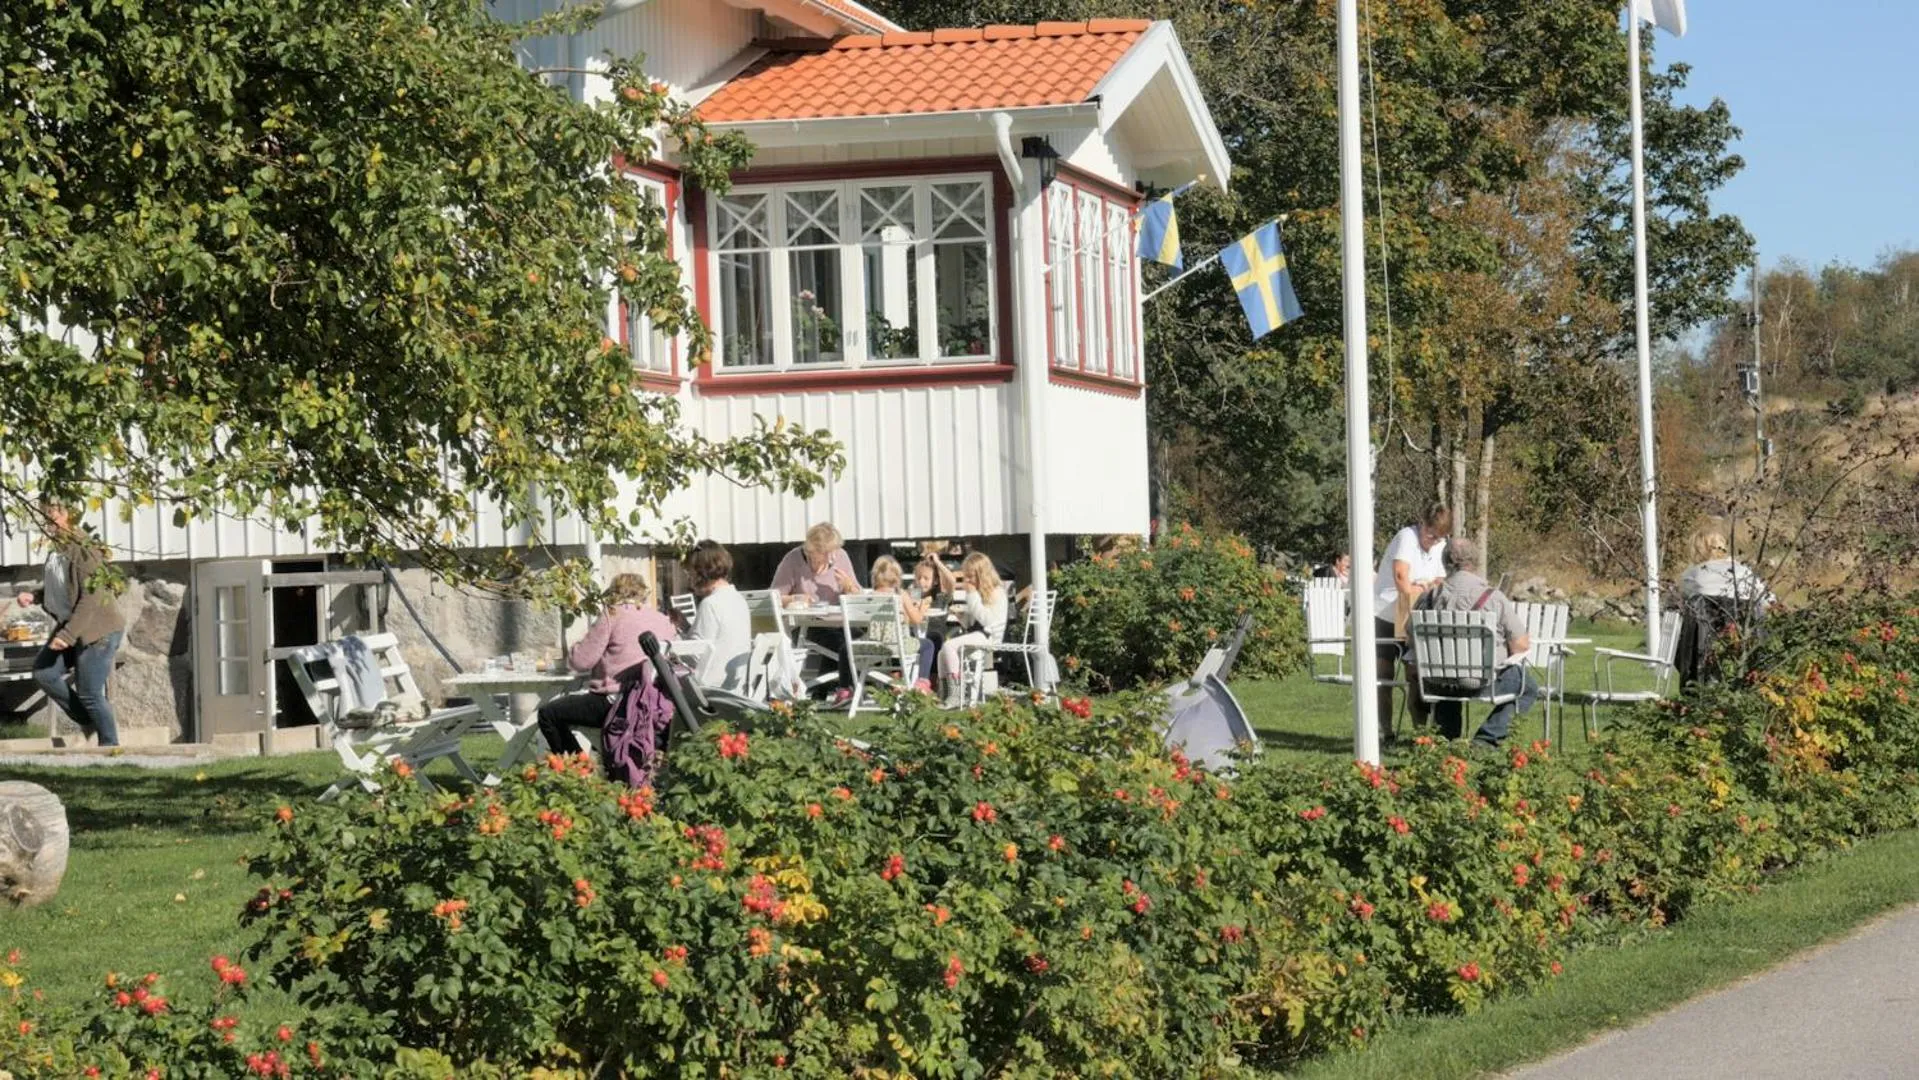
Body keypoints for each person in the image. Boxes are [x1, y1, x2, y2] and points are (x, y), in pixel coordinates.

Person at [16, 501, 126, 746]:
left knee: (90, 693)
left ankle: (110, 747)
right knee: (45, 673)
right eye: (45, 517)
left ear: (69, 516)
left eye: (53, 516)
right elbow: (62, 586)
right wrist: (35, 596)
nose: (48, 522)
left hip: (98, 629)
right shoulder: (57, 547)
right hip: (73, 624)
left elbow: (91, 598)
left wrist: (66, 635)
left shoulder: (83, 549)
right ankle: (89, 721)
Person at [537, 573, 676, 756]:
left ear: (614, 593)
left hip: (617, 702)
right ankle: (582, 767)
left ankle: (577, 770)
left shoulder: (612, 615)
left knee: (549, 714)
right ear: (643, 593)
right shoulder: (661, 619)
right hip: (651, 702)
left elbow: (580, 661)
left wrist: (575, 647)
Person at [1423, 538, 1537, 746]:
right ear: (1474, 562)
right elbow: (1520, 645)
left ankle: (1446, 738)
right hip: (1481, 681)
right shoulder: (1493, 597)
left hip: (1437, 681)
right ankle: (1486, 739)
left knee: (1449, 676)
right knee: (1527, 686)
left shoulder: (1430, 597)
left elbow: (1412, 638)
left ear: (1445, 561)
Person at [1374, 505, 1452, 731]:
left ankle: (1420, 731)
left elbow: (1440, 578)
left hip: (1415, 617)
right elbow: (1401, 576)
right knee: (1384, 676)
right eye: (1430, 535)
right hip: (1385, 615)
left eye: (1438, 538)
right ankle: (1384, 730)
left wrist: (1426, 586)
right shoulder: (1407, 537)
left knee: (1415, 674)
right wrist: (1414, 591)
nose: (1433, 541)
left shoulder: (1439, 546)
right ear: (1422, 524)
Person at [771, 522, 863, 702]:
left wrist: (849, 587)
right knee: (843, 645)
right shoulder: (794, 560)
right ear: (812, 549)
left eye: (833, 551)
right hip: (808, 624)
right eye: (825, 552)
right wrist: (797, 598)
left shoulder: (840, 557)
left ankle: (824, 689)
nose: (831, 556)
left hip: (840, 622)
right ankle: (845, 689)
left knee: (858, 642)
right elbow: (775, 597)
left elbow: (858, 595)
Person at [1675, 531, 1774, 687]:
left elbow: (1683, 601)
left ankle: (1699, 685)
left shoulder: (1693, 574)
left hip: (1705, 640)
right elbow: (1768, 601)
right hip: (1747, 633)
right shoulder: (1743, 571)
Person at [935, 552, 1007, 706]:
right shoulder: (978, 593)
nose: (967, 580)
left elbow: (987, 620)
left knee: (949, 646)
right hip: (978, 633)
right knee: (942, 653)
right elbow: (971, 623)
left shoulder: (997, 593)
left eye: (970, 576)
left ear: (982, 575)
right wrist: (962, 616)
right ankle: (946, 692)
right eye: (965, 576)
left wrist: (972, 595)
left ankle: (957, 695)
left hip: (989, 636)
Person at [686, 541, 750, 693]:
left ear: (702, 572)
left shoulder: (710, 604)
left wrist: (673, 640)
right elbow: (718, 640)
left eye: (691, 573)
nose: (690, 580)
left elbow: (695, 655)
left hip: (711, 689)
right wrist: (684, 626)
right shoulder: (738, 600)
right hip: (736, 688)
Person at [908, 554, 957, 692]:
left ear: (935, 581)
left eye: (926, 578)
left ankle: (931, 682)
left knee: (935, 638)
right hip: (917, 636)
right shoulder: (915, 595)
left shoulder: (941, 596)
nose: (921, 581)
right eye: (918, 578)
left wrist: (937, 562)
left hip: (934, 635)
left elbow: (952, 582)